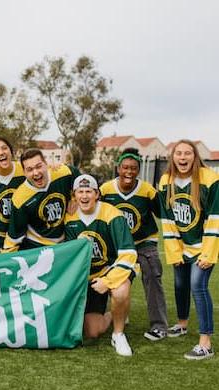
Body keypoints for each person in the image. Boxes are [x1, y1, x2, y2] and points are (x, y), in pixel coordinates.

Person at [65, 174, 138, 357]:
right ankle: (112, 314)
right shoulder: (70, 218)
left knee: (120, 291)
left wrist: (108, 280)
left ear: (97, 193)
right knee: (92, 332)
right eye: (80, 191)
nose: (84, 196)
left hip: (110, 270)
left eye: (88, 191)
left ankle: (118, 334)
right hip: (88, 277)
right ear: (74, 195)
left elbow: (128, 254)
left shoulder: (112, 214)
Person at [159, 140, 219, 360]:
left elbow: (215, 218)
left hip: (204, 246)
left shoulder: (210, 180)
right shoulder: (166, 181)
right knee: (180, 283)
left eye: (187, 153)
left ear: (195, 157)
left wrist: (209, 253)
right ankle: (182, 324)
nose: (183, 157)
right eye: (178, 153)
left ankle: (206, 343)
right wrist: (174, 251)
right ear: (172, 157)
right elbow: (167, 219)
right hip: (182, 245)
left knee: (197, 285)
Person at [100, 148, 168, 341]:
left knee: (153, 277)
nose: (129, 172)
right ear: (118, 168)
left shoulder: (147, 190)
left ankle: (159, 326)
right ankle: (118, 312)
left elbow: (163, 213)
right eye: (125, 168)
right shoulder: (105, 190)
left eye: (134, 168)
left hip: (143, 242)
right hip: (118, 246)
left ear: (138, 169)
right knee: (110, 277)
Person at [2, 148, 79, 251]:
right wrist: (5, 259)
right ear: (24, 172)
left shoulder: (64, 172)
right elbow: (14, 236)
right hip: (38, 247)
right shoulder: (19, 198)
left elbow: (86, 186)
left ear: (46, 164)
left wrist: (75, 198)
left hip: (65, 243)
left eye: (39, 166)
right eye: (29, 169)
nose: (36, 173)